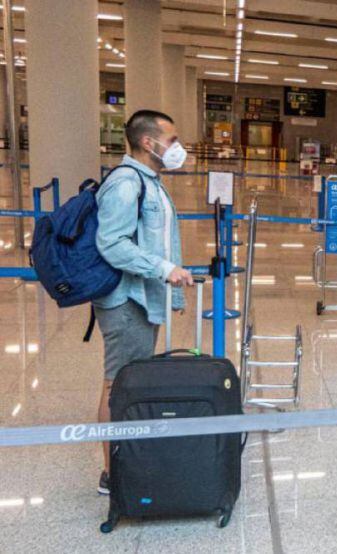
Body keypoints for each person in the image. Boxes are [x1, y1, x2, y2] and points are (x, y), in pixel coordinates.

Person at [94, 110, 194, 494]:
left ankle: (124, 461)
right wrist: (163, 269)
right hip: (125, 301)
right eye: (171, 140)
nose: (177, 148)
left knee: (121, 383)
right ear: (148, 143)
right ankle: (113, 474)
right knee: (117, 386)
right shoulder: (126, 183)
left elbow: (159, 241)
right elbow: (112, 244)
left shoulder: (148, 180)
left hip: (142, 296)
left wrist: (174, 289)